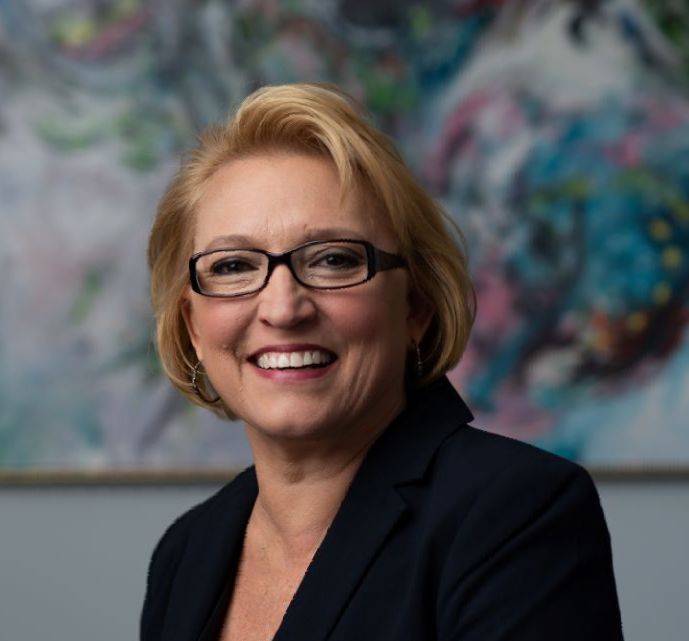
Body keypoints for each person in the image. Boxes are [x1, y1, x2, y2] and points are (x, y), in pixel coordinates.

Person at [141, 83, 623, 641]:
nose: (283, 308)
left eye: (333, 259)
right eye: (232, 266)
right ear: (193, 326)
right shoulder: (188, 552)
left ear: (415, 306)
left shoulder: (516, 514)